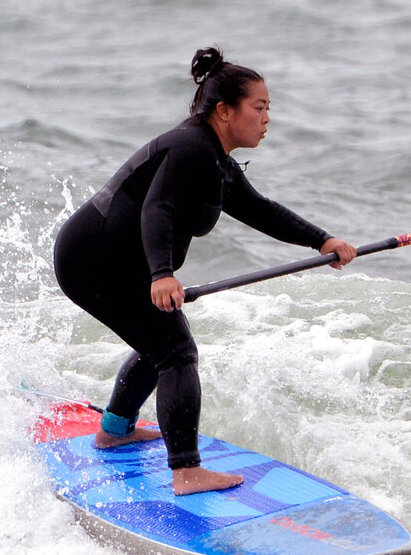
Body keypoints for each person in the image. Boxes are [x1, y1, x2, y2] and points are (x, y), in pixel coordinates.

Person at [51, 48, 356, 495]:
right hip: (94, 259)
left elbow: (259, 210)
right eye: (260, 107)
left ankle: (115, 430)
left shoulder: (214, 160)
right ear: (225, 110)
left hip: (109, 258)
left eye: (268, 108)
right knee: (176, 352)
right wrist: (160, 274)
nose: (268, 118)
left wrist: (322, 240)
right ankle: (187, 471)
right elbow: (158, 209)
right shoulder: (191, 149)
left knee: (162, 343)